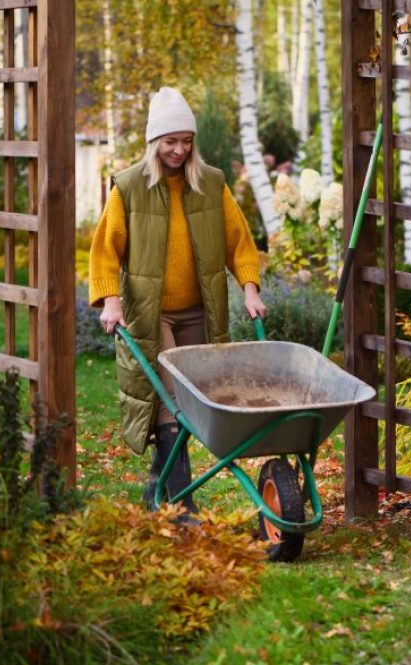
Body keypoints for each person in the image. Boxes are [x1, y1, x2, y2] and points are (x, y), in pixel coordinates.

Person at [89, 87, 266, 513]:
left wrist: (249, 288)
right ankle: (183, 509)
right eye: (170, 141)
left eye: (186, 141)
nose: (179, 150)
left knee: (188, 404)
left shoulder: (211, 184)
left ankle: (158, 490)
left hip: (199, 311)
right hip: (153, 315)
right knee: (173, 402)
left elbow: (239, 240)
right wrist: (110, 301)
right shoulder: (129, 188)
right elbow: (105, 249)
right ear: (154, 142)